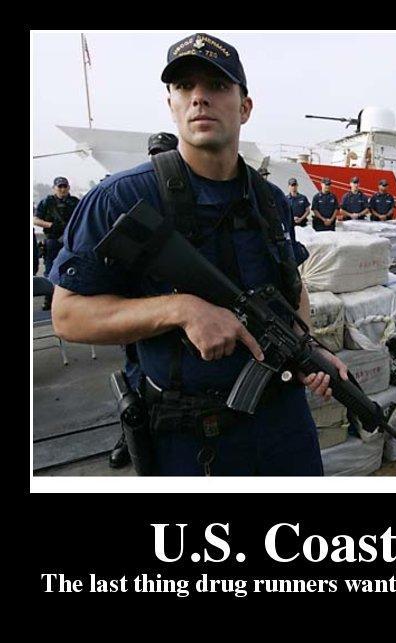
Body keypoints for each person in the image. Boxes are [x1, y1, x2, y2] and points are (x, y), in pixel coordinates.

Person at [49, 32, 348, 476]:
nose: (199, 98)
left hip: (283, 424)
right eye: (185, 86)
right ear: (171, 103)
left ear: (245, 107)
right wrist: (180, 310)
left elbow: (292, 287)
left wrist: (307, 349)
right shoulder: (121, 198)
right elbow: (67, 316)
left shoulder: (270, 200)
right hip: (191, 438)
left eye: (217, 85)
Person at [109, 131, 180, 469]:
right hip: (142, 303)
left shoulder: (184, 198)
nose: (157, 160)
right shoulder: (132, 195)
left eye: (163, 154)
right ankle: (130, 435)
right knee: (135, 373)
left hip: (178, 297)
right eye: (154, 154)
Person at [33, 177, 80, 308]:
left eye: (65, 186)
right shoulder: (47, 202)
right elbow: (35, 220)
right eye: (60, 187)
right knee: (50, 270)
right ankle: (49, 298)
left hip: (71, 240)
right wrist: (51, 225)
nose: (62, 189)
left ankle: (72, 298)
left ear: (68, 187)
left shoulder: (75, 202)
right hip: (53, 240)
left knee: (73, 269)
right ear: (54, 188)